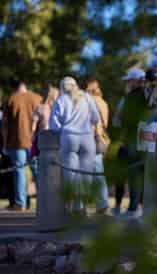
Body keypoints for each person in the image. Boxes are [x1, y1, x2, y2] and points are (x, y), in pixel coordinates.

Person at [50, 76, 100, 213]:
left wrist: (64, 130)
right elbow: (96, 118)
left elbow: (53, 125)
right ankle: (82, 208)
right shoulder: (87, 97)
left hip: (69, 138)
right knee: (85, 174)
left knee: (70, 173)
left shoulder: (60, 100)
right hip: (87, 138)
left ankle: (69, 208)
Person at [2, 78, 42, 211]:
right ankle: (44, 201)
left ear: (14, 87)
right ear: (24, 85)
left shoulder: (11, 100)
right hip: (35, 141)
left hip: (16, 141)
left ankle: (20, 203)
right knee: (37, 171)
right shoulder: (37, 98)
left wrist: (5, 142)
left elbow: (5, 125)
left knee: (18, 172)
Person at [112, 68, 147, 218]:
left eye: (130, 80)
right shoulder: (149, 96)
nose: (128, 83)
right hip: (145, 139)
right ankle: (138, 206)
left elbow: (117, 121)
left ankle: (132, 208)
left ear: (137, 80)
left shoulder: (128, 98)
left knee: (131, 173)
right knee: (139, 174)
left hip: (131, 138)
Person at [85, 78, 110, 214]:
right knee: (98, 171)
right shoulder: (103, 102)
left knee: (87, 171)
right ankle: (102, 203)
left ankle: (99, 204)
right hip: (100, 138)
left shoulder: (88, 100)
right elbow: (105, 123)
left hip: (91, 137)